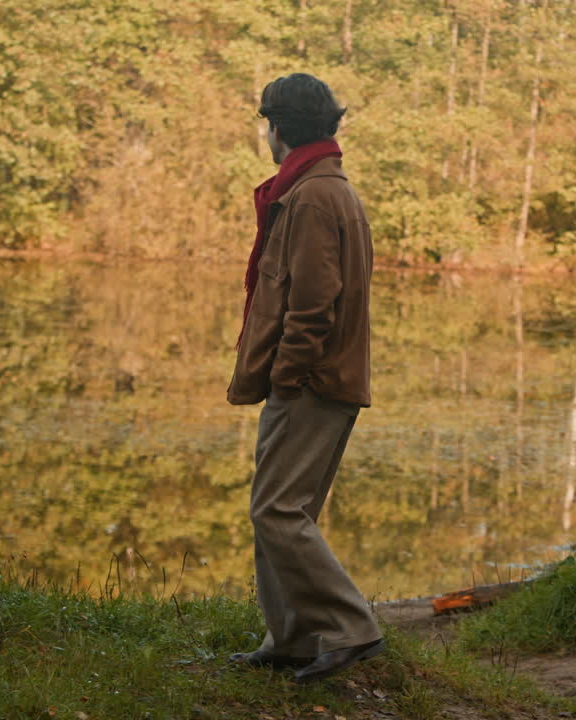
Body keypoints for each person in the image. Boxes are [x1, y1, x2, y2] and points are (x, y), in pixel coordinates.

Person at [226, 73, 383, 683]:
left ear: (279, 128)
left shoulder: (315, 196)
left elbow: (315, 302)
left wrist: (288, 374)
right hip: (314, 380)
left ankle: (352, 628)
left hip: (314, 383)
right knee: (280, 508)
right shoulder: (320, 187)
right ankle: (292, 637)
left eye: (266, 124)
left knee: (277, 511)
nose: (264, 134)